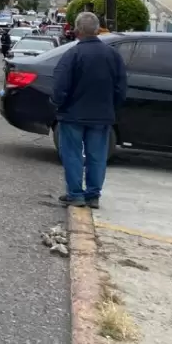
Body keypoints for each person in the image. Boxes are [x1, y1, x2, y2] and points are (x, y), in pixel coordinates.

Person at [52, 12, 127, 208]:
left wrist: (58, 103)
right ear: (97, 29)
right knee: (97, 155)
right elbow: (121, 88)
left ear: (77, 31)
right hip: (101, 116)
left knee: (73, 154)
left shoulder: (72, 55)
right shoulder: (113, 55)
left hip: (72, 115)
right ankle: (93, 195)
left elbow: (60, 86)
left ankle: (76, 194)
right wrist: (111, 108)